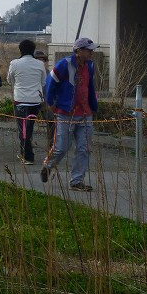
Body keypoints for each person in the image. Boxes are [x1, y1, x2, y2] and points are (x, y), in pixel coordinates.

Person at [41, 37, 99, 192]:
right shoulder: (64, 64)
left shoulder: (90, 65)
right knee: (62, 147)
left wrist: (93, 105)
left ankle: (77, 181)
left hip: (86, 113)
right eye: (89, 50)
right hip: (66, 113)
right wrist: (51, 103)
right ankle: (48, 165)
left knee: (84, 148)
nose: (92, 52)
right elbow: (50, 82)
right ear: (79, 51)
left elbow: (90, 87)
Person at [6, 39, 47, 165]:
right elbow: (43, 82)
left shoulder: (14, 63)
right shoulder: (40, 64)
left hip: (21, 101)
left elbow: (9, 80)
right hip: (35, 101)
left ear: (20, 50)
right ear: (33, 50)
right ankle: (26, 153)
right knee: (28, 127)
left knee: (23, 129)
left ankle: (27, 156)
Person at [34, 49, 55, 150]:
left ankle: (51, 143)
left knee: (51, 121)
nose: (41, 61)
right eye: (38, 59)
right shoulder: (30, 72)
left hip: (45, 102)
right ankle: (27, 143)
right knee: (29, 122)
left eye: (43, 59)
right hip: (32, 100)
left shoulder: (48, 72)